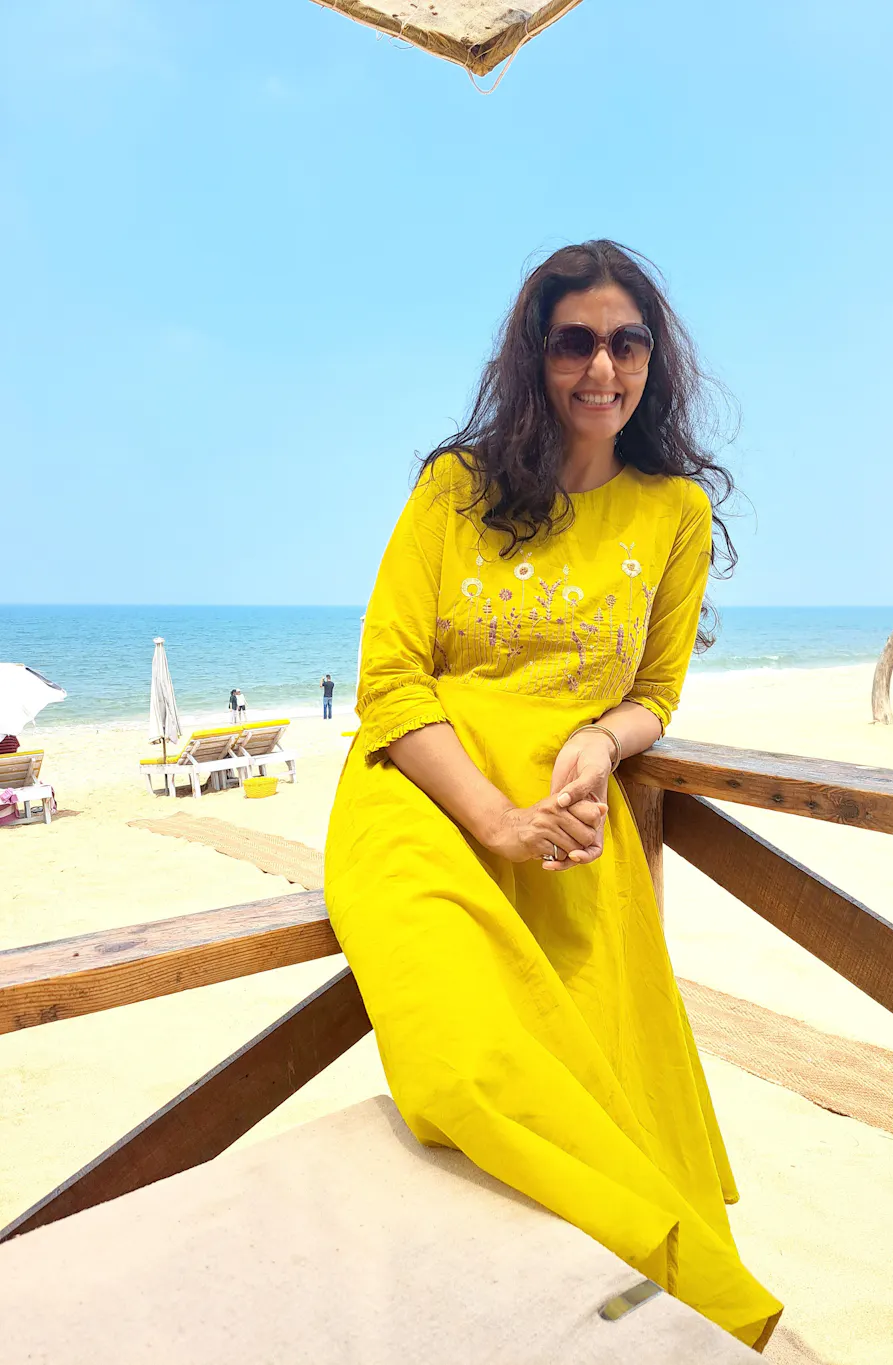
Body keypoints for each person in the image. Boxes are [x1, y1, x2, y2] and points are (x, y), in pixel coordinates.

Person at [324, 241, 782, 1350]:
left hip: (574, 826)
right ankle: (586, 1289)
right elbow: (389, 680)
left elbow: (655, 696)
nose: (601, 368)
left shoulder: (672, 512)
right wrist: (496, 819)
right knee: (467, 1058)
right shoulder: (456, 488)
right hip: (427, 800)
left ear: (653, 360)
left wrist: (598, 739)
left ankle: (619, 1315)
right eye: (574, 341)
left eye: (626, 343)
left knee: (600, 1080)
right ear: (535, 355)